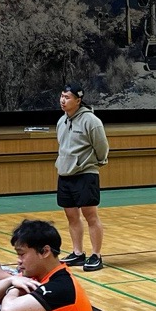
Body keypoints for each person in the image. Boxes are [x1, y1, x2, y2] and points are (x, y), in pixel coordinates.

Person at [55, 83, 110, 272]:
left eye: (67, 97)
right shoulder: (61, 121)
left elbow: (102, 146)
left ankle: (96, 255)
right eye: (62, 96)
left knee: (90, 215)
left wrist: (96, 163)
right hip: (65, 174)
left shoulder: (91, 121)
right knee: (71, 215)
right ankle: (78, 253)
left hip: (85, 174)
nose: (63, 100)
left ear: (78, 100)